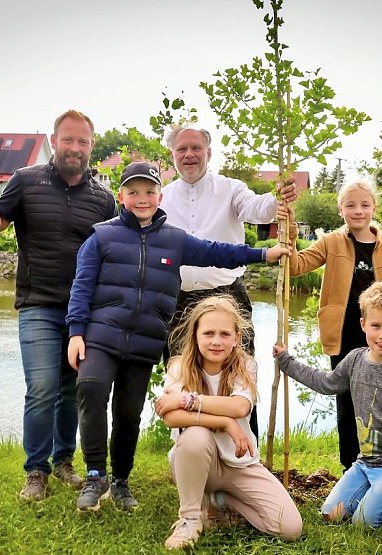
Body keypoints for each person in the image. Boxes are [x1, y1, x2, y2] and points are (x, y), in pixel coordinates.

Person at [65, 161, 290, 513]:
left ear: (160, 196)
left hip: (144, 340)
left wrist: (263, 254)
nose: (142, 198)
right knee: (91, 388)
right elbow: (81, 286)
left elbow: (220, 252)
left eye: (150, 191)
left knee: (129, 411)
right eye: (134, 192)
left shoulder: (174, 239)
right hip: (101, 335)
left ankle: (121, 480)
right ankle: (96, 475)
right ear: (121, 196)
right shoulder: (102, 236)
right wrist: (76, 332)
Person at [0, 109, 117, 501]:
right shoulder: (25, 180)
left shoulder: (104, 199)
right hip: (37, 304)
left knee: (70, 390)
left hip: (83, 311)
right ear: (54, 141)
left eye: (82, 141)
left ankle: (63, 462)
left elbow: (114, 250)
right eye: (67, 139)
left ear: (91, 146)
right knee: (41, 387)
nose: (75, 147)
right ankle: (35, 471)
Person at [160, 123, 297, 439]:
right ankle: (188, 452)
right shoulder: (163, 197)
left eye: (196, 148)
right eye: (182, 149)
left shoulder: (231, 189)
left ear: (208, 152)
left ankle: (247, 451)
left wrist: (277, 199)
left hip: (227, 294)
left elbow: (258, 209)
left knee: (240, 371)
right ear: (173, 155)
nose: (189, 154)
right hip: (178, 300)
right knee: (181, 374)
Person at [273, 279, 382, 529]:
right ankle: (376, 493)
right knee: (331, 515)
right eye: (376, 325)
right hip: (365, 462)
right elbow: (326, 384)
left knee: (364, 523)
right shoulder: (356, 359)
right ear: (363, 324)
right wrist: (287, 362)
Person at [285, 178, 382, 473]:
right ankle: (350, 467)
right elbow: (295, 266)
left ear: (374, 208)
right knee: (346, 401)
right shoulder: (331, 243)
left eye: (364, 205)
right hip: (344, 334)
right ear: (340, 208)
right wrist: (289, 232)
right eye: (351, 205)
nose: (358, 211)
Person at [155, 295, 302, 550]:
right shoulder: (179, 367)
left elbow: (239, 406)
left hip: (239, 461)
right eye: (208, 333)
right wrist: (224, 423)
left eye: (224, 334)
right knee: (195, 435)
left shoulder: (245, 365)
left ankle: (220, 499)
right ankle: (190, 518)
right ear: (196, 335)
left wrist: (188, 400)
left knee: (289, 528)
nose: (216, 341)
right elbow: (171, 417)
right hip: (198, 460)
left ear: (236, 338)